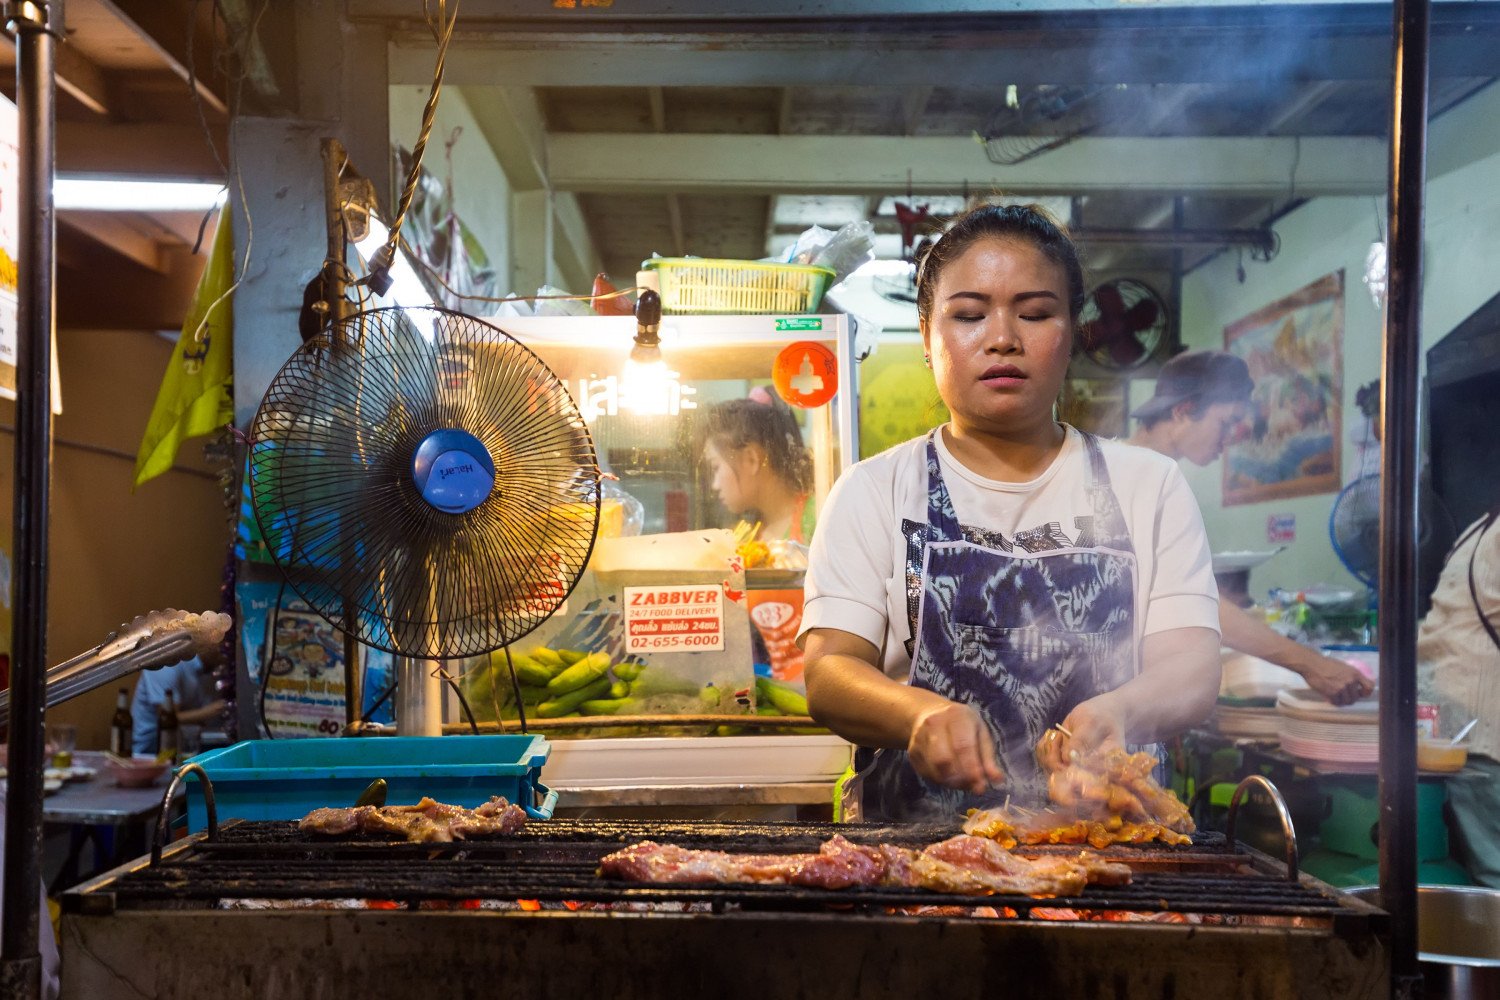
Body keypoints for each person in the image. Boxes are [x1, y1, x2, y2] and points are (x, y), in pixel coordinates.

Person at [799, 203, 1222, 820]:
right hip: (912, 858)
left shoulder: (1148, 484)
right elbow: (830, 671)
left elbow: (1192, 666)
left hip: (1107, 853)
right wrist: (919, 713)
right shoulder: (875, 490)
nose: (1003, 338)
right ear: (926, 337)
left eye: (1034, 313)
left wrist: (1121, 711)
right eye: (969, 315)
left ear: (1072, 333)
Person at [1127, 350, 1375, 707]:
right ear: (1183, 411)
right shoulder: (1136, 477)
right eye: (1226, 422)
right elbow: (1200, 603)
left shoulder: (1155, 474)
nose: (1231, 438)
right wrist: (1311, 664)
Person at [1418, 503, 1500, 887]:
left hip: (1475, 734)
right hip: (1464, 735)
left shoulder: (1483, 529)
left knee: (1491, 872)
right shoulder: (1482, 527)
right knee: (1486, 872)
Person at [703, 386, 816, 543]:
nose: (715, 485)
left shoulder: (817, 517)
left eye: (716, 467)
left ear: (752, 459)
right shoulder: (745, 535)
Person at [131, 653, 226, 756]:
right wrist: (213, 710)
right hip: (148, 751)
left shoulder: (199, 670)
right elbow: (168, 718)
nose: (223, 654)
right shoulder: (165, 665)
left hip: (176, 746)